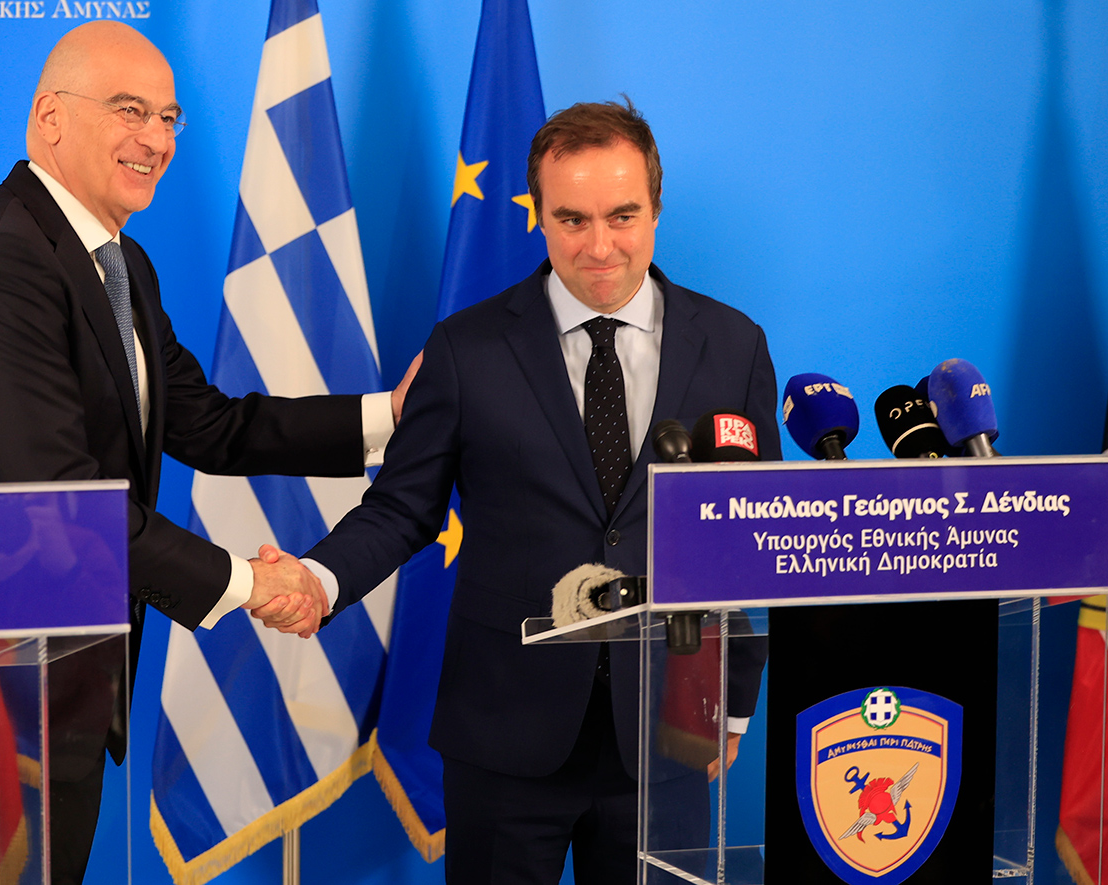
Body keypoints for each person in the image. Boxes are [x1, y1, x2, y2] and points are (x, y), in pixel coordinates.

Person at [0, 21, 410, 882]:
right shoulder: (1, 262)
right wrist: (249, 583)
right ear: (50, 117)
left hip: (63, 681)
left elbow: (214, 425)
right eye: (130, 111)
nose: (157, 139)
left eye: (169, 118)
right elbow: (62, 499)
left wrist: (391, 415)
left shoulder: (119, 262)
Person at [262, 100, 780, 882]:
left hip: (669, 730)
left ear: (655, 209)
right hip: (504, 735)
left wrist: (731, 699)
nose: (599, 245)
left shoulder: (734, 346)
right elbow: (402, 507)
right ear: (538, 216)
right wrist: (319, 577)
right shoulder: (465, 348)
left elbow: (750, 539)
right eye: (572, 219)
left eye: (622, 215)